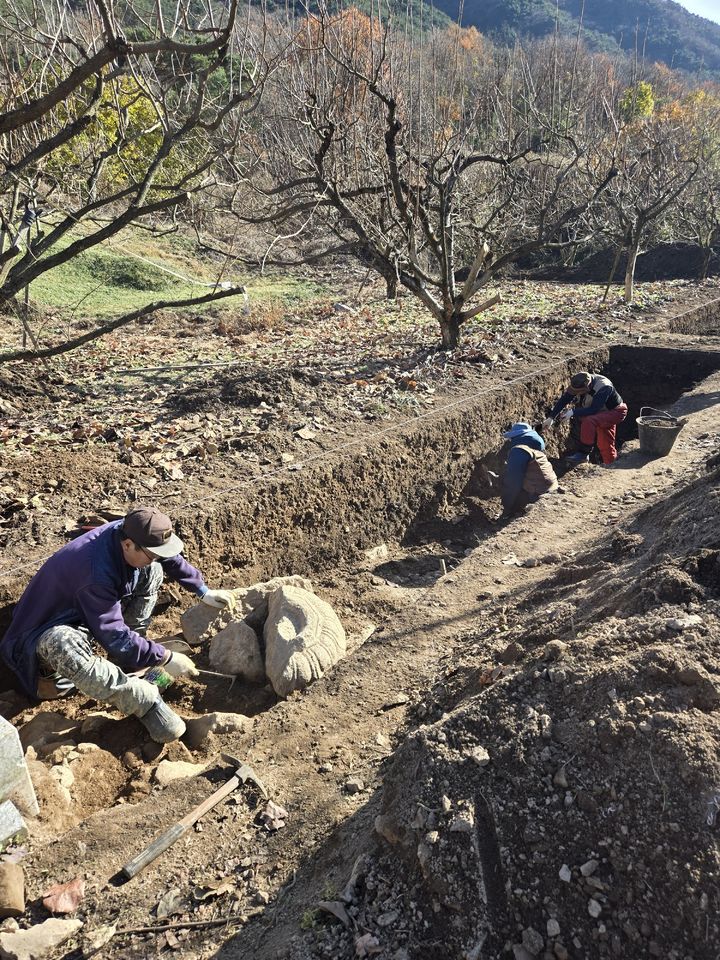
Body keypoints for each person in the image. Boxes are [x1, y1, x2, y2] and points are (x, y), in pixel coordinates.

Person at [0, 506, 235, 743]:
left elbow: (166, 556)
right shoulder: (94, 574)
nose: (156, 557)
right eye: (152, 553)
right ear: (128, 545)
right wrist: (165, 658)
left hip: (83, 617)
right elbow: (114, 635)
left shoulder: (129, 531)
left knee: (151, 570)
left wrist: (202, 590)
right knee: (61, 642)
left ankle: (131, 660)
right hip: (39, 650)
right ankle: (144, 701)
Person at [543, 371, 628, 465]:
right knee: (604, 443)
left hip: (615, 412)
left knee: (590, 422)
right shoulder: (580, 381)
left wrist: (573, 412)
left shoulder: (604, 387)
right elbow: (565, 398)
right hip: (601, 412)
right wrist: (551, 417)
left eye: (578, 392)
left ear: (586, 387)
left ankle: (584, 454)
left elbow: (594, 410)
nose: (576, 393)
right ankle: (608, 462)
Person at [500, 422, 558, 519]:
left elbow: (513, 483)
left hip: (537, 495)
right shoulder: (536, 452)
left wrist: (507, 509)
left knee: (509, 485)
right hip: (551, 489)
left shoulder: (518, 451)